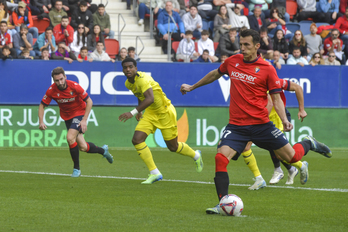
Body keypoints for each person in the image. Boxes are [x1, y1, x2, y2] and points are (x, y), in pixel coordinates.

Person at [180, 29, 332, 214]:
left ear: (257, 46)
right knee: (220, 158)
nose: (242, 48)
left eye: (247, 45)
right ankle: (223, 204)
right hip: (236, 126)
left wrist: (284, 120)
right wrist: (193, 86)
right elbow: (214, 74)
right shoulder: (232, 61)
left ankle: (309, 143)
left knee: (293, 158)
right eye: (241, 44)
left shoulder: (267, 69)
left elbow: (276, 99)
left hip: (261, 125)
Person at [118, 57, 203, 184]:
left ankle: (196, 155)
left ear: (136, 68)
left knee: (173, 147)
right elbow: (140, 95)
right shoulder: (128, 83)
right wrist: (140, 111)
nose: (128, 69)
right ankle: (155, 173)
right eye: (125, 68)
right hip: (151, 113)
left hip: (165, 112)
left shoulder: (143, 79)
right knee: (137, 140)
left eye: (131, 67)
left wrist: (132, 112)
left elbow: (150, 98)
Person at [39, 67, 113, 177]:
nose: (60, 82)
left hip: (79, 113)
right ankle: (103, 151)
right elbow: (42, 105)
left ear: (65, 77)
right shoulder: (51, 90)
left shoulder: (74, 86)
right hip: (67, 117)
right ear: (53, 81)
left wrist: (84, 120)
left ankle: (76, 169)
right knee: (83, 147)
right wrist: (41, 121)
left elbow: (89, 101)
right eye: (57, 80)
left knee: (69, 138)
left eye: (61, 79)